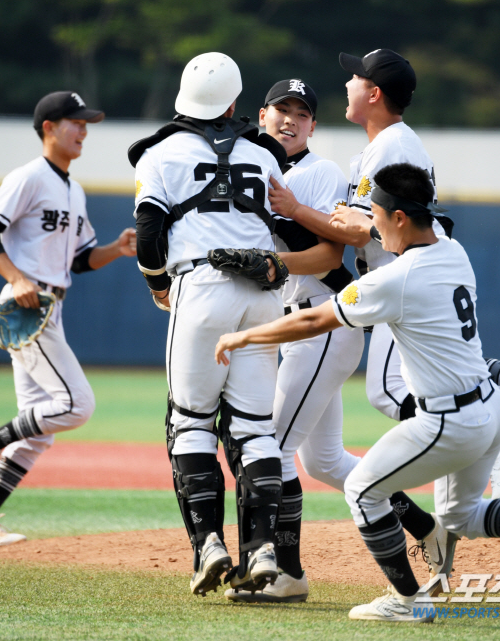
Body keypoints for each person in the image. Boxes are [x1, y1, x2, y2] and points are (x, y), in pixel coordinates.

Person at [215, 163, 500, 623]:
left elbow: (312, 320)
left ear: (401, 218)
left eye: (376, 216)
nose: (370, 227)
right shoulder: (453, 250)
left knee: (364, 489)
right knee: (460, 517)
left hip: (450, 422)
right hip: (492, 409)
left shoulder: (397, 278)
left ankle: (406, 600)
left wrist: (242, 337)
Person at [268, 49, 500, 439]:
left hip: (409, 273)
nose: (347, 82)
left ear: (374, 93)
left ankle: (484, 445)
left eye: (356, 76)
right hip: (425, 268)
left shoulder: (392, 145)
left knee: (389, 391)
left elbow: (359, 230)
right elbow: (356, 222)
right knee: (444, 370)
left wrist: (296, 209)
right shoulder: (384, 147)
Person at [130, 53, 335, 598]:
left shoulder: (160, 152)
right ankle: (263, 547)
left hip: (201, 288)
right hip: (263, 295)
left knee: (191, 423)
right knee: (253, 429)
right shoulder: (262, 153)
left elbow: (150, 234)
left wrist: (157, 285)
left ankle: (209, 548)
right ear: (236, 104)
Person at [0, 91, 137, 547]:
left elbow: (78, 260)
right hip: (27, 305)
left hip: (51, 306)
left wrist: (114, 250)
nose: (83, 131)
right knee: (76, 405)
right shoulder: (30, 177)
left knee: (39, 430)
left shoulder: (73, 189)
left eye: (86, 124)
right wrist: (16, 278)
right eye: (74, 122)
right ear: (48, 128)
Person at [224, 79, 364, 604]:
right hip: (295, 322)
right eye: (282, 109)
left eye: (301, 113)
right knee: (325, 460)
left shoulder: (318, 171)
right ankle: (422, 526)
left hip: (321, 320)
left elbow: (331, 256)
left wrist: (281, 218)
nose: (290, 119)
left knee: (271, 447)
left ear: (312, 125)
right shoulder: (249, 165)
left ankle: (288, 572)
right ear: (262, 116)